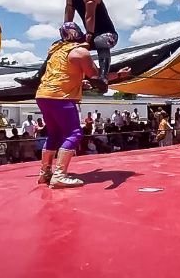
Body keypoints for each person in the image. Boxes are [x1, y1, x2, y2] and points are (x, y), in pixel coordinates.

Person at [35, 22, 129, 188]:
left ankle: (45, 172)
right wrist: (120, 75)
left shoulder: (56, 51)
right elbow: (98, 78)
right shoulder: (80, 52)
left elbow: (62, 75)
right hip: (61, 97)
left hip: (43, 95)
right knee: (74, 133)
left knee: (54, 134)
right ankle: (59, 175)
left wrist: (79, 83)